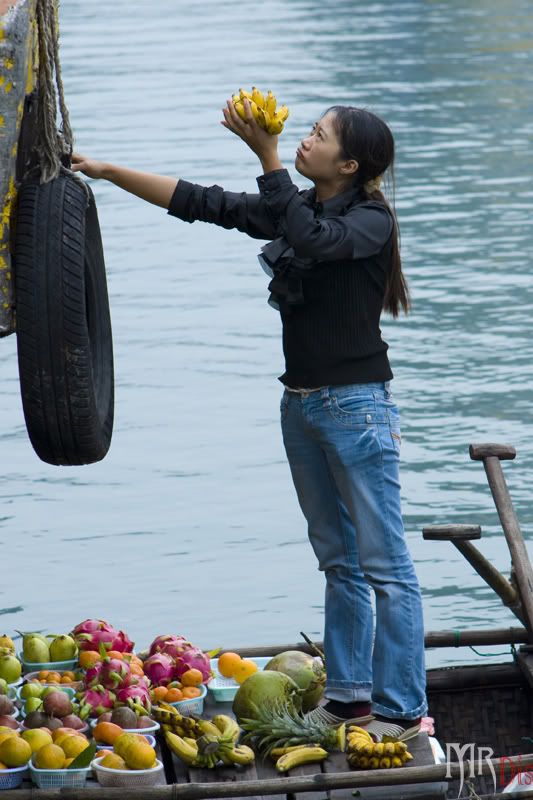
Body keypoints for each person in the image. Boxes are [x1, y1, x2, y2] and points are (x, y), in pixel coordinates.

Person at [71, 97, 428, 740]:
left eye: (318, 136)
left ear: (348, 164)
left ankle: (400, 711)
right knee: (339, 560)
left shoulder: (371, 220)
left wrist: (267, 158)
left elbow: (314, 240)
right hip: (303, 406)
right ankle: (349, 698)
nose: (305, 140)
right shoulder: (301, 207)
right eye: (308, 131)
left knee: (386, 567)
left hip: (356, 409)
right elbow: (201, 202)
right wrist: (107, 170)